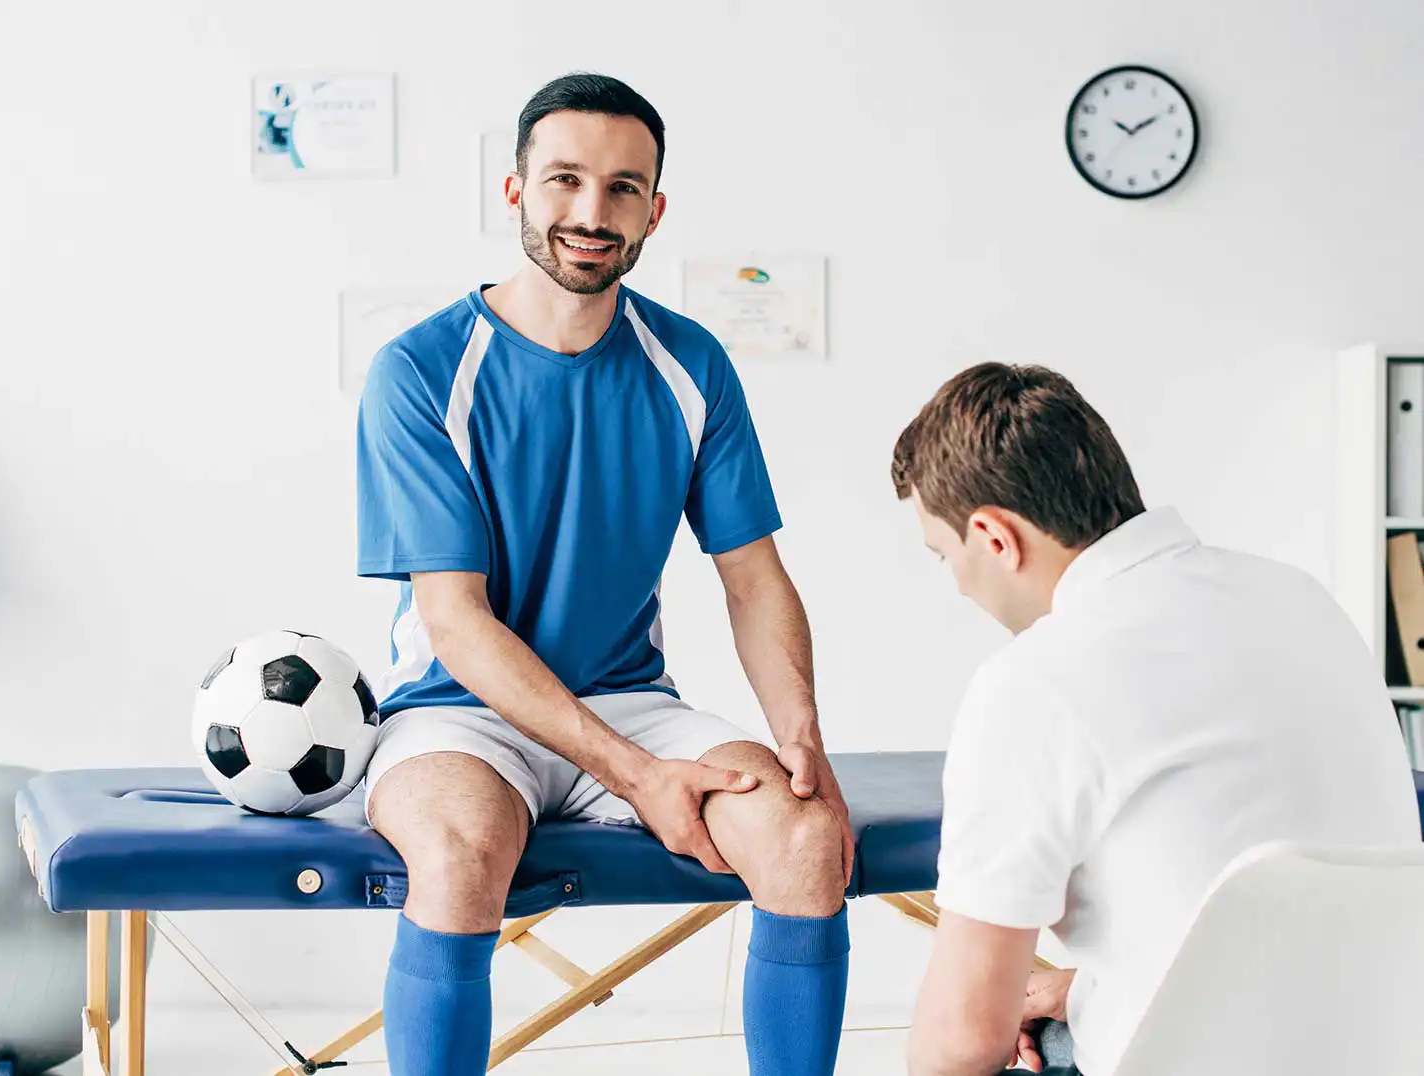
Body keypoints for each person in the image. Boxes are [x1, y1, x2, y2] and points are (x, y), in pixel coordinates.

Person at [355, 73, 854, 1076]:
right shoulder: (416, 370)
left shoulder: (690, 363)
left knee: (805, 841)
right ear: (514, 193)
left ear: (654, 211)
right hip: (459, 709)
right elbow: (456, 620)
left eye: (623, 188)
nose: (591, 213)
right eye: (565, 181)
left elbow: (752, 579)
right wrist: (637, 778)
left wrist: (801, 741)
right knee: (455, 862)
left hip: (629, 701)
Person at [893, 363, 1419, 1076]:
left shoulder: (1034, 684)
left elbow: (961, 1043)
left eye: (942, 554)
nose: (954, 581)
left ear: (993, 537)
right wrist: (1092, 993)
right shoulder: (1301, 600)